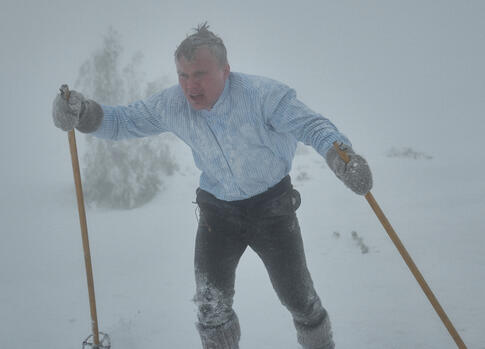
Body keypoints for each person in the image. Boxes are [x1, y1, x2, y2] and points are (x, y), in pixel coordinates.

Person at [52, 23, 372, 349]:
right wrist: (83, 113)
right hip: (218, 215)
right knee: (211, 308)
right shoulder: (172, 104)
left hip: (273, 210)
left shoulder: (263, 96)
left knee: (300, 300)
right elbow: (122, 121)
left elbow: (312, 126)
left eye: (200, 74)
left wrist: (341, 157)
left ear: (225, 70)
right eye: (182, 75)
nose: (190, 85)